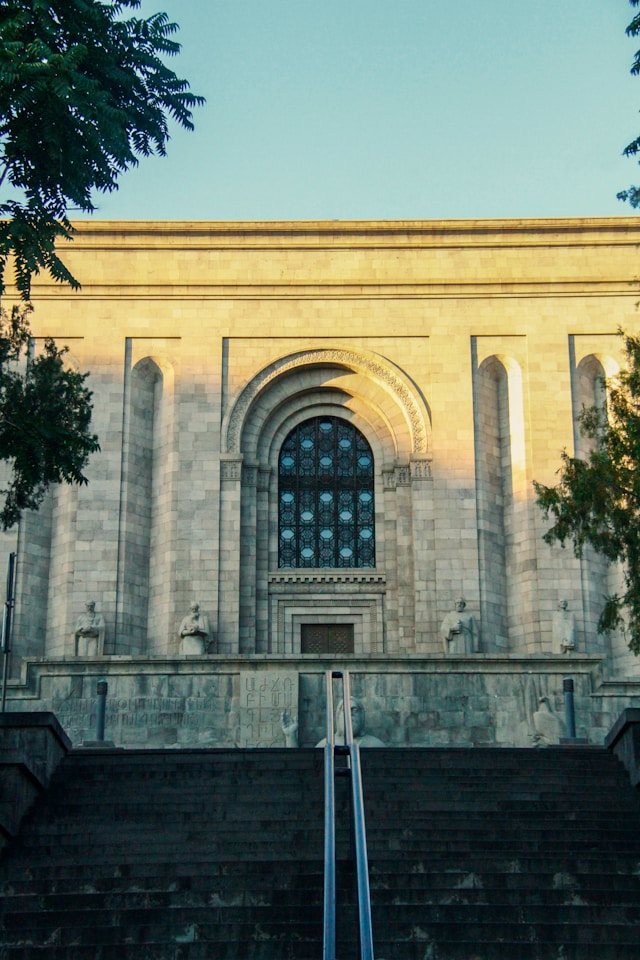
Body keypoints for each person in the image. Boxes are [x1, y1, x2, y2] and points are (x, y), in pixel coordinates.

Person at [281, 696, 385, 747]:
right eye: (345, 710)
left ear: (361, 717)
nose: (349, 714)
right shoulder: (326, 745)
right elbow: (303, 770)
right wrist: (290, 736)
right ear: (337, 717)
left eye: (354, 710)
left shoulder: (375, 745)